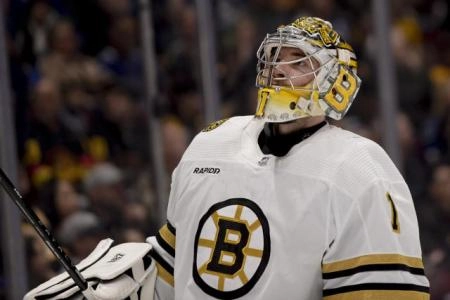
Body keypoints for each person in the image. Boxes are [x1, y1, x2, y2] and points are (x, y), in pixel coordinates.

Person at [25, 16, 430, 300]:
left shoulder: (360, 170)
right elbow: (173, 271)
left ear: (336, 83)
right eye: (276, 57)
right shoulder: (211, 143)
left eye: (298, 63)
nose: (279, 70)